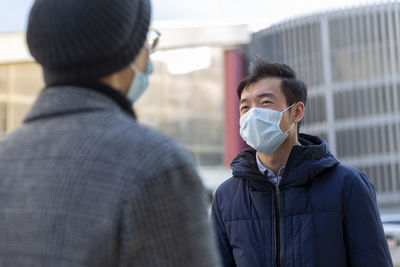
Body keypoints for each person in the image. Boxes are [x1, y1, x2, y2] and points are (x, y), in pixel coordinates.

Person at [0, 0, 221, 266]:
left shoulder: (6, 157)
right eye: (146, 41)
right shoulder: (156, 164)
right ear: (124, 53)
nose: (148, 57)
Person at [211, 57, 392, 267]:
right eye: (245, 107)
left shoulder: (348, 185)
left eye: (265, 102)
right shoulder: (226, 197)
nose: (253, 113)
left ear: (296, 111)